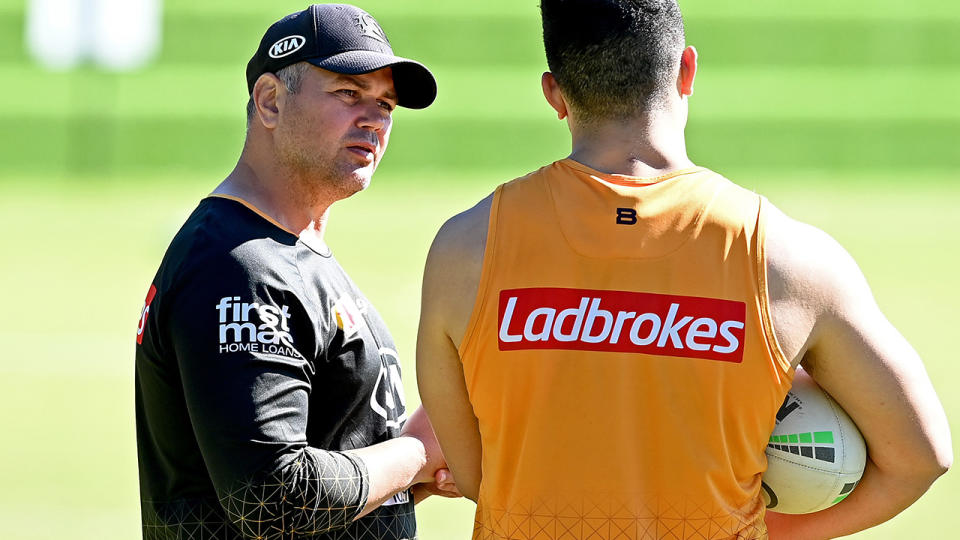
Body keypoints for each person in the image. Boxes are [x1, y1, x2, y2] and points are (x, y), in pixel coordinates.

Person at [416, 1, 952, 539]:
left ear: (554, 93)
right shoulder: (790, 258)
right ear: (686, 71)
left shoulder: (464, 247)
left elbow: (477, 475)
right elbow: (921, 456)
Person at [135, 5, 457, 539]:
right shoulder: (238, 266)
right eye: (348, 94)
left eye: (386, 103)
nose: (374, 119)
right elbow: (272, 500)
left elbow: (322, 471)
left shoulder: (289, 252)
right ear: (269, 101)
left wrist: (410, 474)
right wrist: (417, 452)